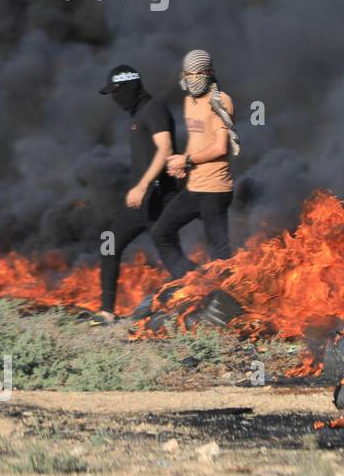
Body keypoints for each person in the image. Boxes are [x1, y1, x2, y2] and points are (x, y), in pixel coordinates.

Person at [94, 65, 178, 325]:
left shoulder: (154, 110)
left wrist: (143, 186)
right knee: (109, 246)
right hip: (138, 204)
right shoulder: (137, 115)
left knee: (173, 258)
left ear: (129, 87)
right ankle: (106, 311)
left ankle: (211, 292)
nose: (116, 99)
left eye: (117, 92)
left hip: (157, 199)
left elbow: (166, 149)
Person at [150, 49, 240, 278]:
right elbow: (196, 138)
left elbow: (221, 147)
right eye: (188, 74)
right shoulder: (189, 101)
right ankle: (192, 284)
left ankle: (231, 303)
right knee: (161, 233)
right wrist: (183, 165)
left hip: (215, 190)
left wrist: (186, 159)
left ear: (209, 73)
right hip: (194, 188)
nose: (192, 79)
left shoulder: (221, 101)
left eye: (198, 73)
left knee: (220, 256)